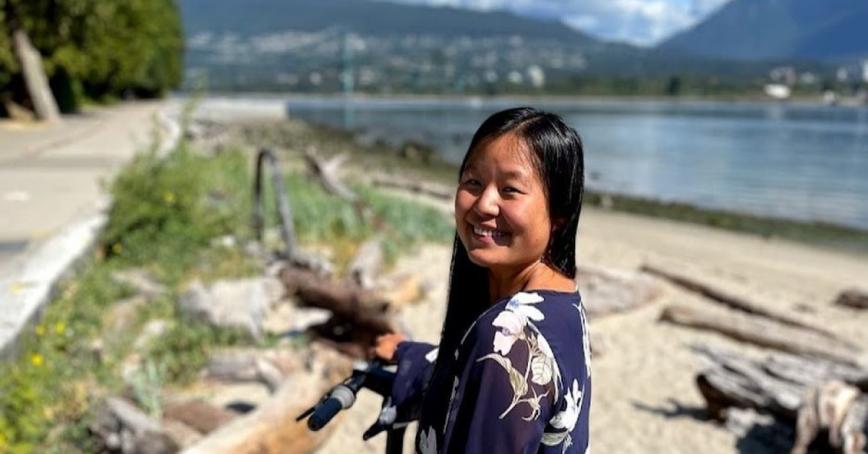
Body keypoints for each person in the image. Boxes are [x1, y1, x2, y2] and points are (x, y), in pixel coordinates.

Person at [373, 107, 591, 453]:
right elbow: (473, 373)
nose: (484, 204)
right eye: (473, 182)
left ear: (559, 215)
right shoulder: (562, 302)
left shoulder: (508, 338)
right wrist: (408, 354)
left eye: (510, 190)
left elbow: (496, 364)